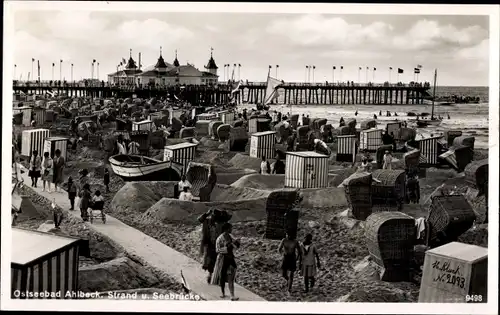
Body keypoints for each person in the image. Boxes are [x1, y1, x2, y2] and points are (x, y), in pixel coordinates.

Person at [199, 209, 232, 284]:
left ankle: (218, 277)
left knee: (220, 261)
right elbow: (200, 219)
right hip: (211, 244)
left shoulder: (224, 224)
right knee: (211, 260)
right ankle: (210, 275)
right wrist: (206, 214)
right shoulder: (208, 222)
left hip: (220, 245)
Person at [214, 223, 240, 300]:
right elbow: (218, 250)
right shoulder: (220, 239)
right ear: (226, 229)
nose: (231, 229)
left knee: (231, 277)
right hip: (223, 259)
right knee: (222, 277)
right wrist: (229, 246)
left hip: (230, 258)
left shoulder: (230, 236)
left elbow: (236, 246)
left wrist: (236, 243)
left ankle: (232, 295)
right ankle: (223, 293)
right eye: (230, 228)